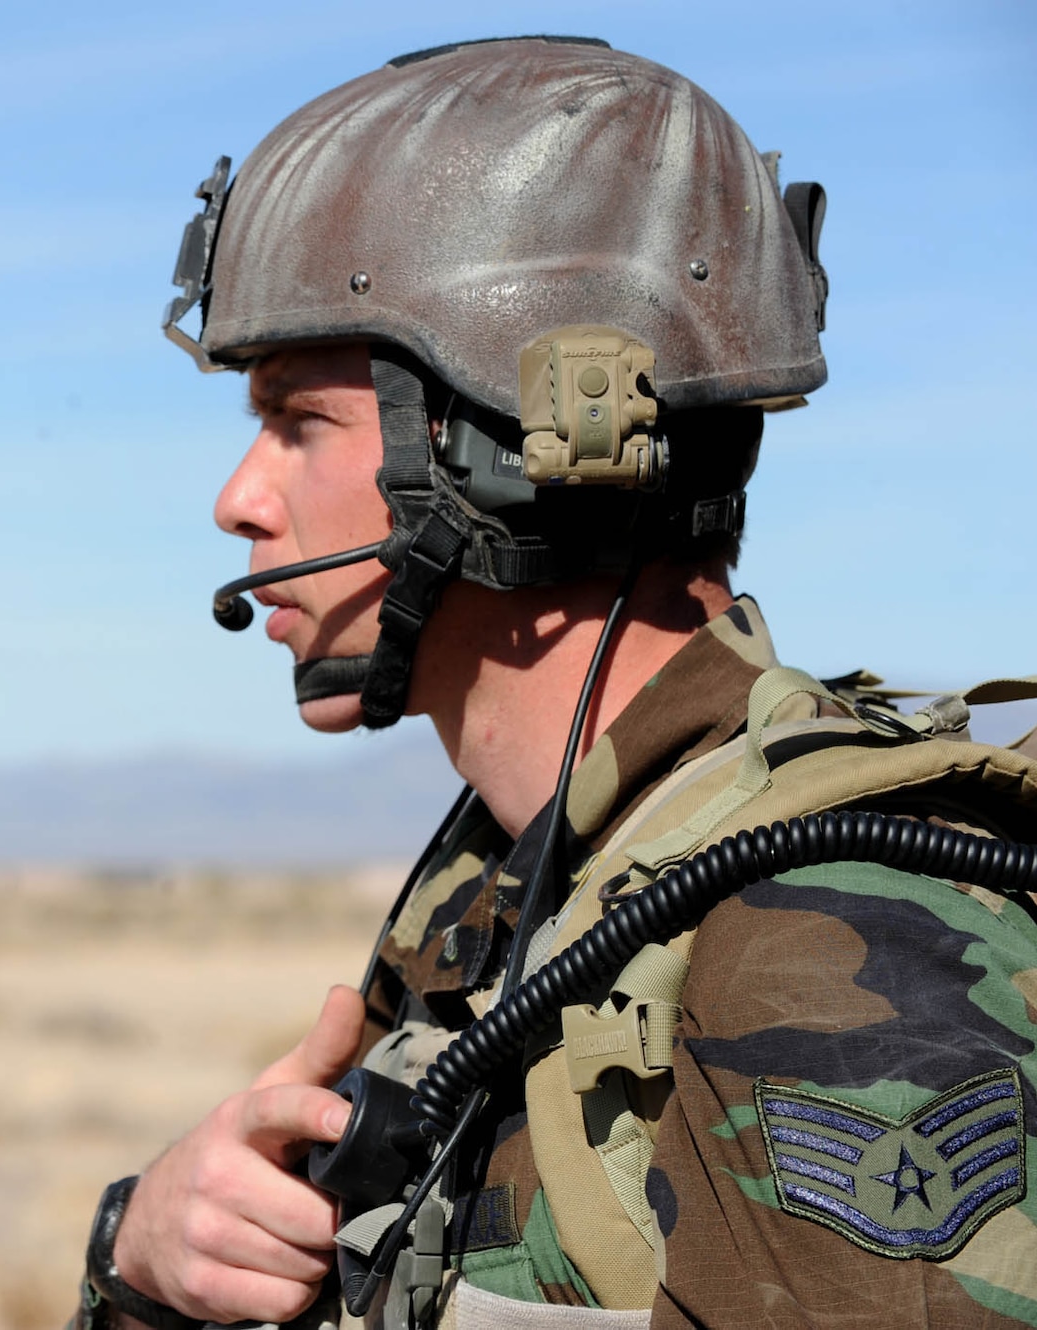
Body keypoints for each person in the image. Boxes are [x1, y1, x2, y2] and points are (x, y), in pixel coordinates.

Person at [72, 35, 1037, 1330]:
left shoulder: (826, 957)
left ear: (509, 452)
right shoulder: (530, 882)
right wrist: (141, 1267)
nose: (238, 500)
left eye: (298, 421)